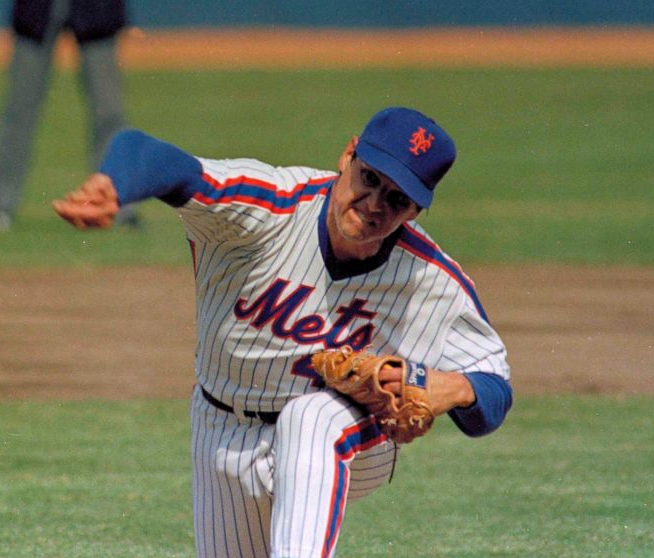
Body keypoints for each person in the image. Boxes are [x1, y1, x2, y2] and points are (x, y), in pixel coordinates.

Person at [53, 107, 513, 557]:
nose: (374, 205)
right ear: (348, 155)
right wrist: (114, 184)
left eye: (397, 199)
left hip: (346, 437)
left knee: (309, 417)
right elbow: (155, 156)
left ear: (415, 211)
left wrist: (453, 390)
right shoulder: (265, 208)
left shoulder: (429, 280)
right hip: (221, 426)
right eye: (370, 178)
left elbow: (493, 395)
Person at [0, 0, 139, 232]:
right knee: (19, 110)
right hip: (38, 12)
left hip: (96, 12)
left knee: (109, 112)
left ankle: (118, 209)